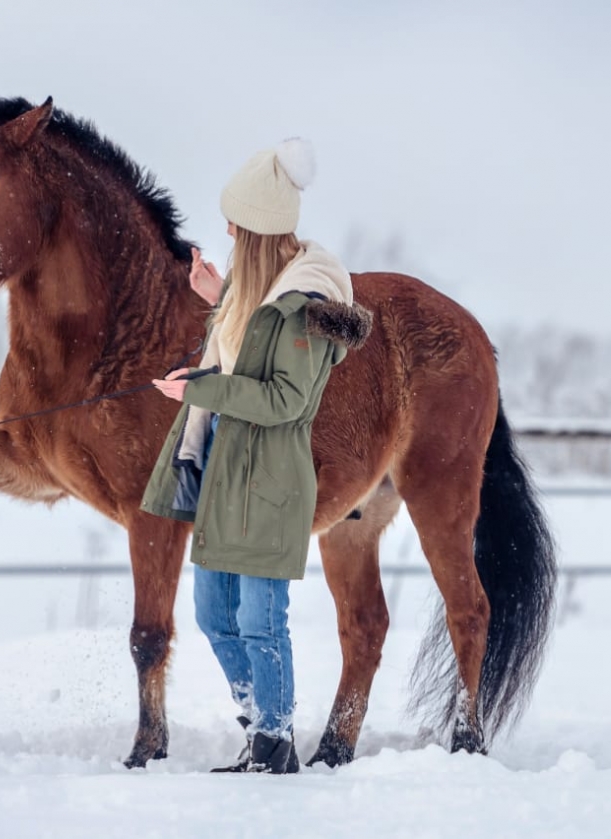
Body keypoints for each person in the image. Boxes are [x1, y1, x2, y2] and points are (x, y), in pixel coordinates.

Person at [141, 138, 370, 774]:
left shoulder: (303, 306)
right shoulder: (255, 291)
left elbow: (285, 400)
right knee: (214, 616)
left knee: (260, 622)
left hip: (268, 479)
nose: (229, 232)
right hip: (224, 467)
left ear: (262, 232)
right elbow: (247, 349)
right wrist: (219, 299)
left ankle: (275, 747)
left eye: (237, 226)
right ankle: (258, 727)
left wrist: (200, 386)